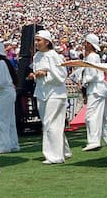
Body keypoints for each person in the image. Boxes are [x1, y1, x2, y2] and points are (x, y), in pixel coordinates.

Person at [27, 29, 71, 164]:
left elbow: (62, 75)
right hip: (42, 92)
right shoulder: (36, 56)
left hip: (55, 93)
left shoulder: (54, 56)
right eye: (36, 40)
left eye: (39, 40)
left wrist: (46, 74)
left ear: (47, 42)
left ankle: (54, 156)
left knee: (50, 123)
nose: (36, 43)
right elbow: (37, 73)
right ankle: (64, 150)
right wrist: (34, 76)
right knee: (51, 123)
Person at [81, 33, 107, 151]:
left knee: (90, 115)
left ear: (89, 44)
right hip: (99, 88)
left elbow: (92, 75)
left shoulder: (91, 57)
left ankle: (94, 141)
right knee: (103, 116)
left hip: (95, 88)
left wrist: (83, 81)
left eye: (86, 42)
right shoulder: (93, 56)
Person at [0, 42, 20, 154]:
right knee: (10, 119)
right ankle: (13, 144)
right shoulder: (4, 63)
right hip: (8, 92)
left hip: (5, 93)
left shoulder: (1, 64)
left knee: (1, 119)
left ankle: (4, 146)